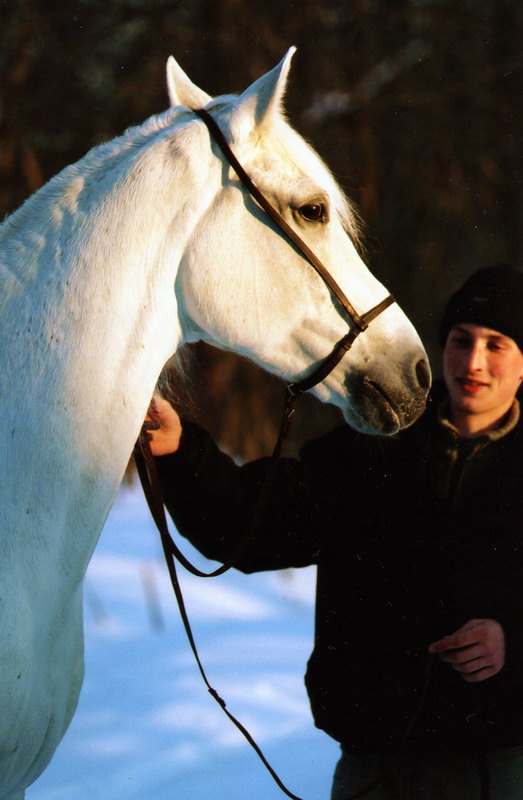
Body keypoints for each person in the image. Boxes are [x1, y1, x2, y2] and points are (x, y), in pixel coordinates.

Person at [146, 264, 523, 799]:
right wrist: (182, 452)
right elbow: (249, 523)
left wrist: (513, 641)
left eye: (497, 344)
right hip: (375, 769)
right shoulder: (370, 451)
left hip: (498, 769)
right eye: (461, 341)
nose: (473, 362)